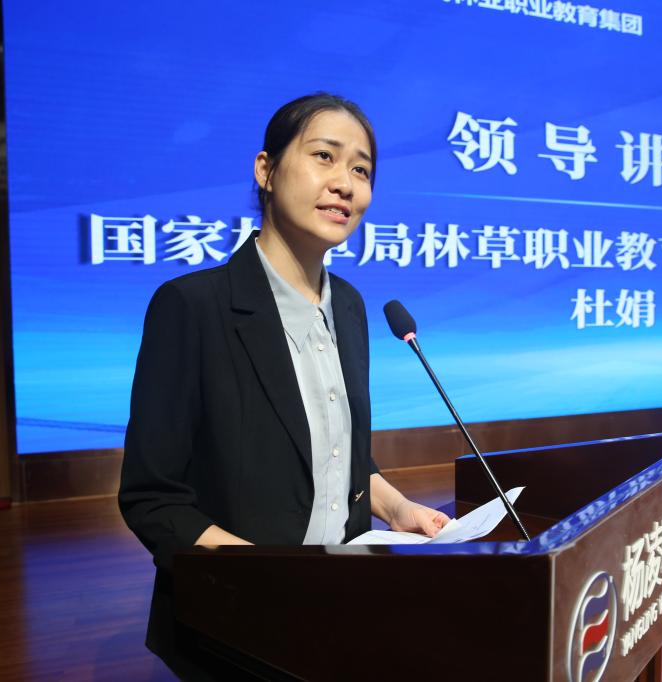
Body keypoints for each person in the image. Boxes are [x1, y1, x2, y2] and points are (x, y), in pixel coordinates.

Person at [118, 93, 449, 679]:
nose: (344, 183)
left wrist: (398, 509)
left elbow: (338, 456)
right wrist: (269, 576)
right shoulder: (192, 307)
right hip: (237, 621)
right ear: (266, 170)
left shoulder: (350, 307)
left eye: (361, 170)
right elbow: (153, 499)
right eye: (324, 156)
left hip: (341, 606)